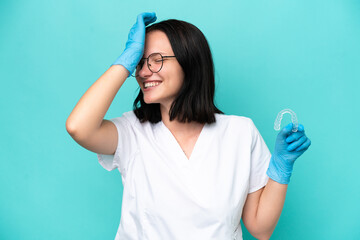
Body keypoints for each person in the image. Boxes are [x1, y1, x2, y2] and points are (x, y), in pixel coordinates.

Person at [66, 12, 311, 240]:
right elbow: (79, 127)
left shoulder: (240, 132)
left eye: (156, 60)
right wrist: (124, 61)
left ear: (189, 63)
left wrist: (281, 168)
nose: (143, 72)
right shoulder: (131, 132)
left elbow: (260, 228)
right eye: (139, 63)